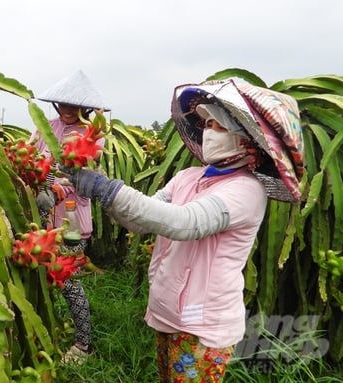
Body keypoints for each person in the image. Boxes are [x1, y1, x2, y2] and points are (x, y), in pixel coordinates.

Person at [63, 79, 303, 381]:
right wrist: (102, 190)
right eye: (207, 124)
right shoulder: (188, 176)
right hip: (169, 311)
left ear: (246, 140)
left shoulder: (246, 191)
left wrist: (109, 190)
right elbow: (141, 219)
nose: (208, 132)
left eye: (218, 126)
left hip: (202, 324)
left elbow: (184, 222)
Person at [30, 70, 111, 365]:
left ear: (85, 108)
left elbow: (88, 178)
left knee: (68, 280)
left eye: (73, 104)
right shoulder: (44, 127)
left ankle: (83, 344)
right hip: (39, 217)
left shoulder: (92, 137)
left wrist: (58, 188)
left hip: (73, 222)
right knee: (37, 276)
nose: (66, 109)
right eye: (62, 103)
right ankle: (41, 328)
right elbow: (31, 160)